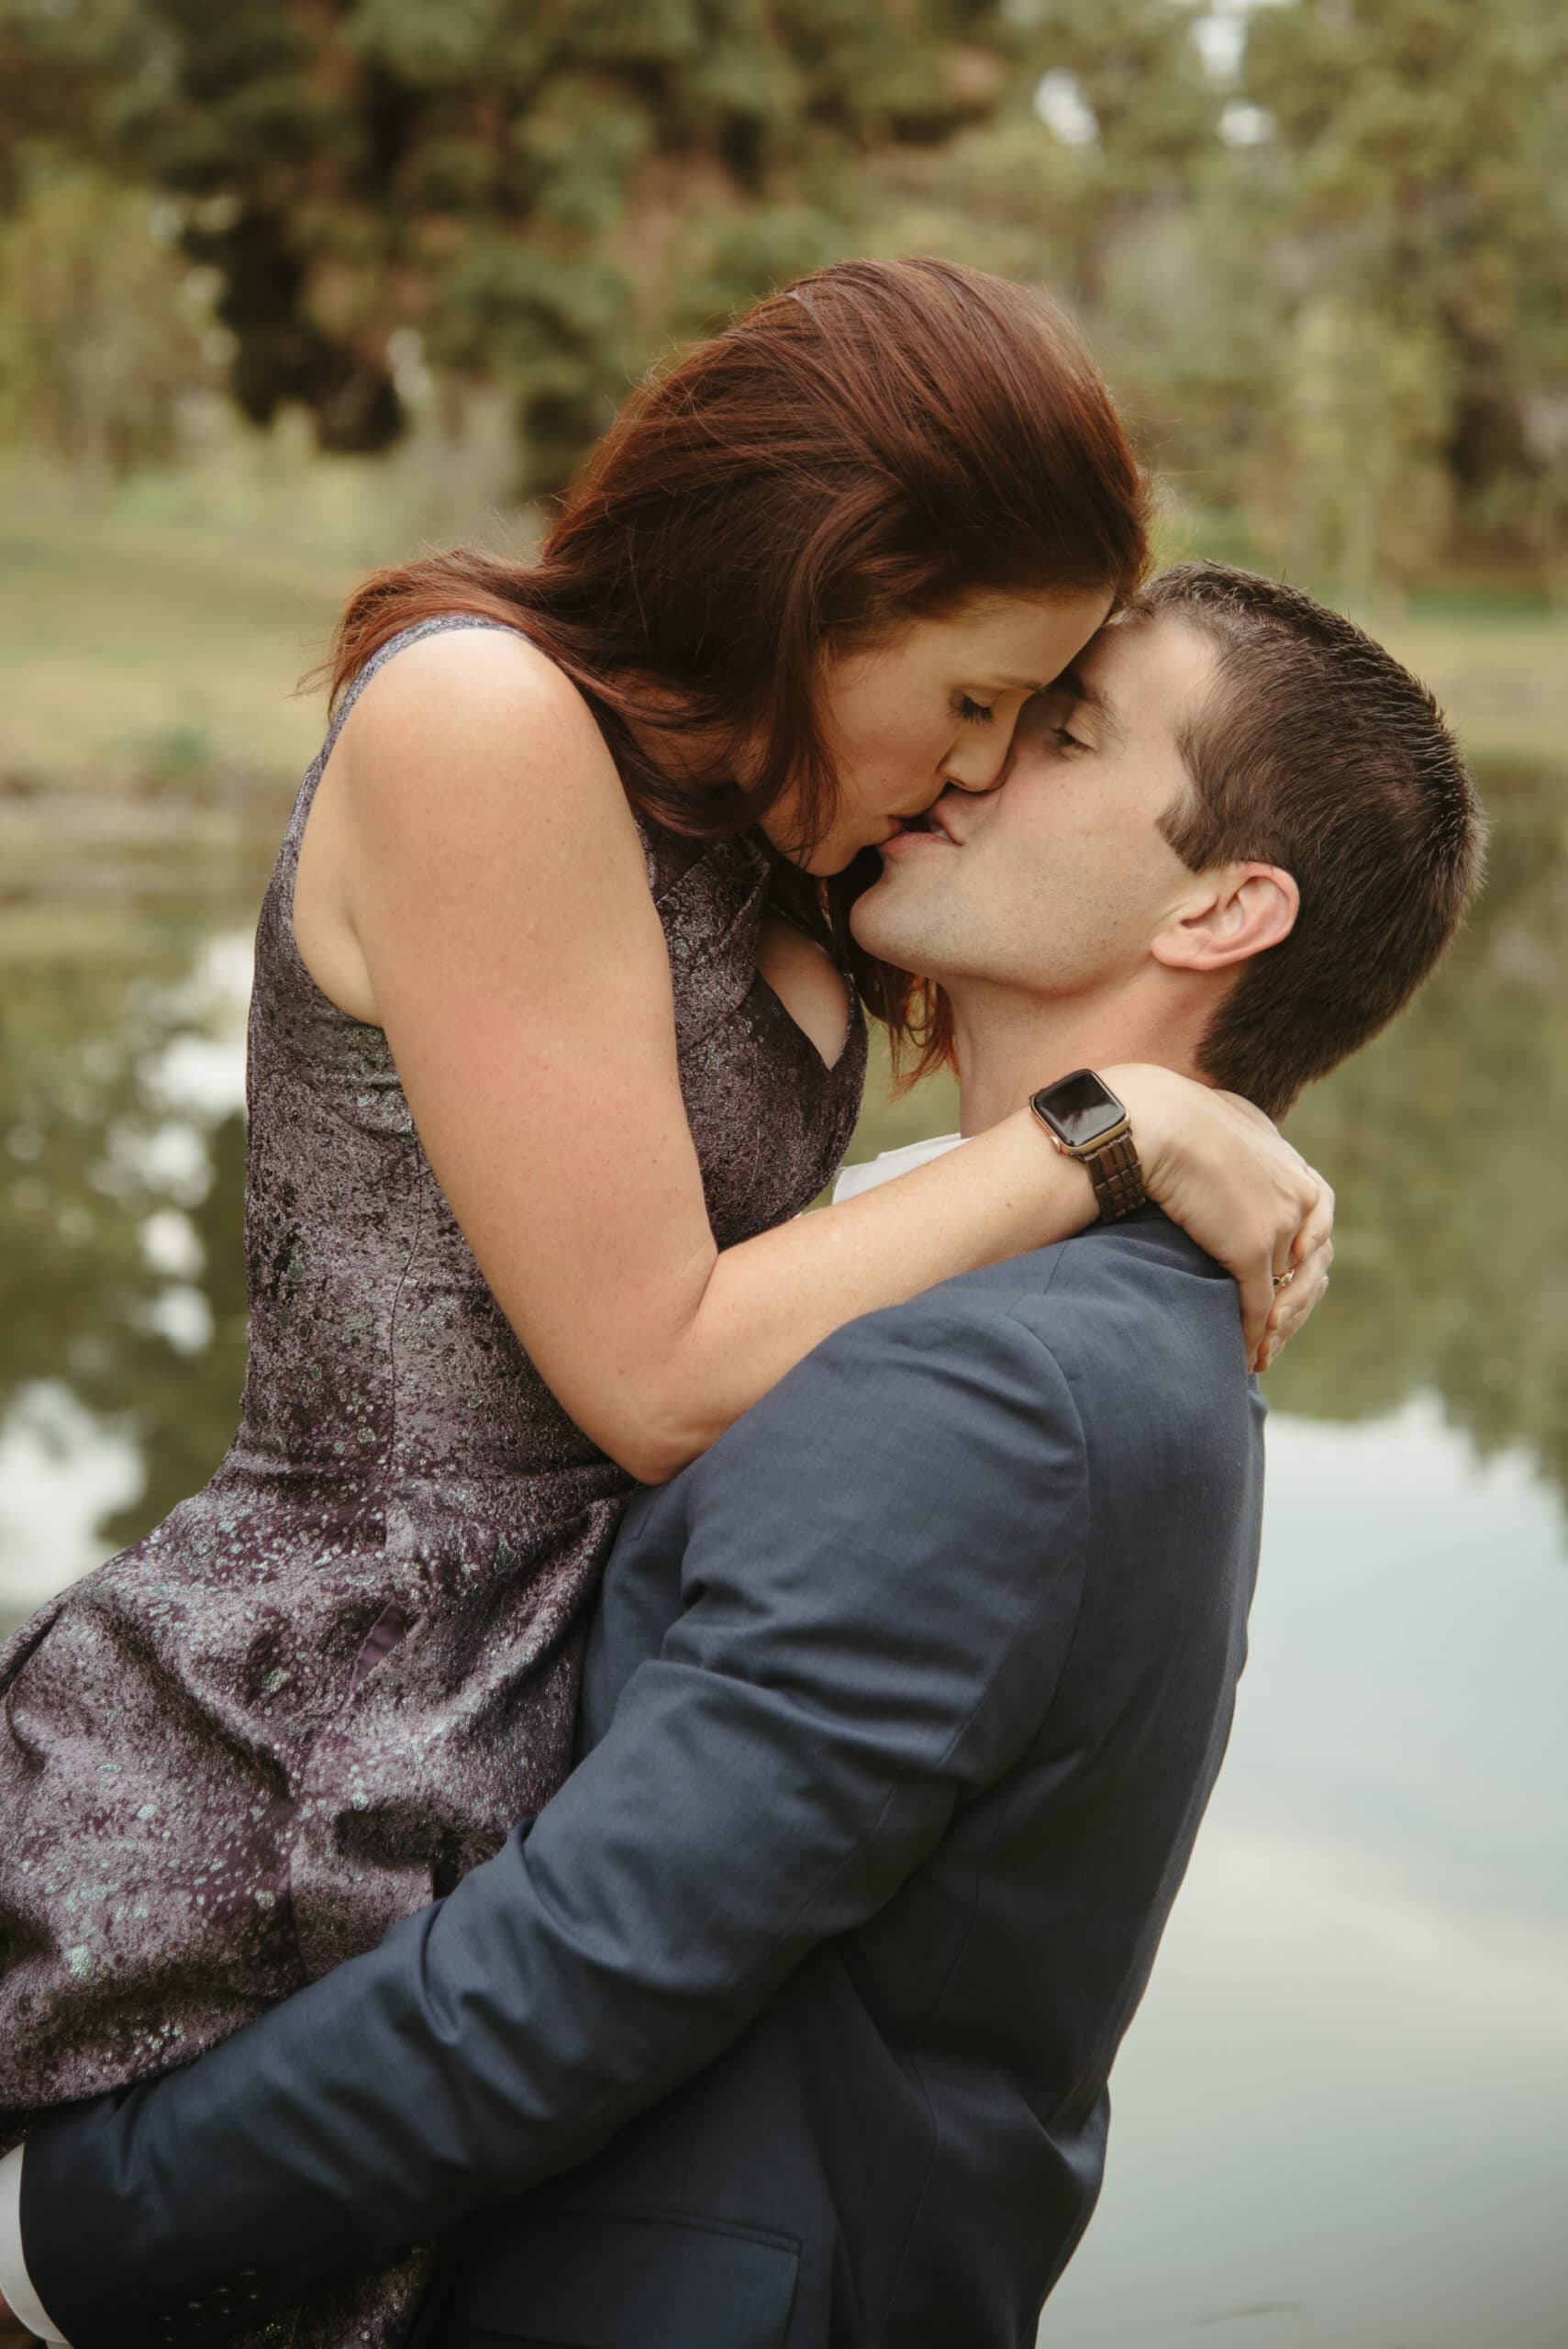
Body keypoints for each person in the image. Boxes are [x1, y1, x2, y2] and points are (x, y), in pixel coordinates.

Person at [0, 264, 1326, 2348]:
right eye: (973, 694)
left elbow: (764, 1286)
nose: (972, 767)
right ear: (826, 586)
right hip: (317, 1746)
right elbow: (658, 1364)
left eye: (1029, 719)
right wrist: (1112, 1119)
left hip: (529, 1769)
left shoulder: (781, 839)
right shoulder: (486, 723)